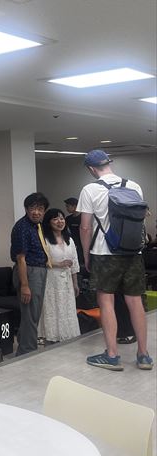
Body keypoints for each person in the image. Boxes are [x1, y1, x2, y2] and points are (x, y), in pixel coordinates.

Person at [78, 150, 151, 371]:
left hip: (104, 253)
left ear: (91, 169)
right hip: (133, 253)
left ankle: (111, 355)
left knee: (106, 301)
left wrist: (86, 255)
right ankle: (144, 355)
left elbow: (85, 227)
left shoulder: (90, 189)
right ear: (109, 163)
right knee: (135, 302)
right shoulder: (134, 186)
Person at [9, 192, 50, 356]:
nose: (36, 212)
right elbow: (21, 258)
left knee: (33, 314)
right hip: (29, 272)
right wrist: (25, 285)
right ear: (26, 209)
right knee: (30, 315)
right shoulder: (22, 227)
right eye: (33, 208)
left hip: (38, 270)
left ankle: (24, 345)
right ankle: (27, 352)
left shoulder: (37, 226)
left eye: (40, 209)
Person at [37, 209, 81, 344]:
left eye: (61, 218)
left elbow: (74, 263)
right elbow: (41, 260)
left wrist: (75, 283)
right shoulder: (44, 240)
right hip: (51, 279)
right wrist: (58, 264)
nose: (59, 221)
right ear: (49, 222)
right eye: (55, 219)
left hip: (67, 280)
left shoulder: (70, 240)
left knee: (66, 307)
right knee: (52, 307)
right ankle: (51, 337)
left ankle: (67, 335)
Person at [64, 197, 84, 266]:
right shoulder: (68, 219)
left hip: (82, 243)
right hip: (71, 243)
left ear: (75, 206)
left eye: (68, 206)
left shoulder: (83, 218)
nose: (66, 208)